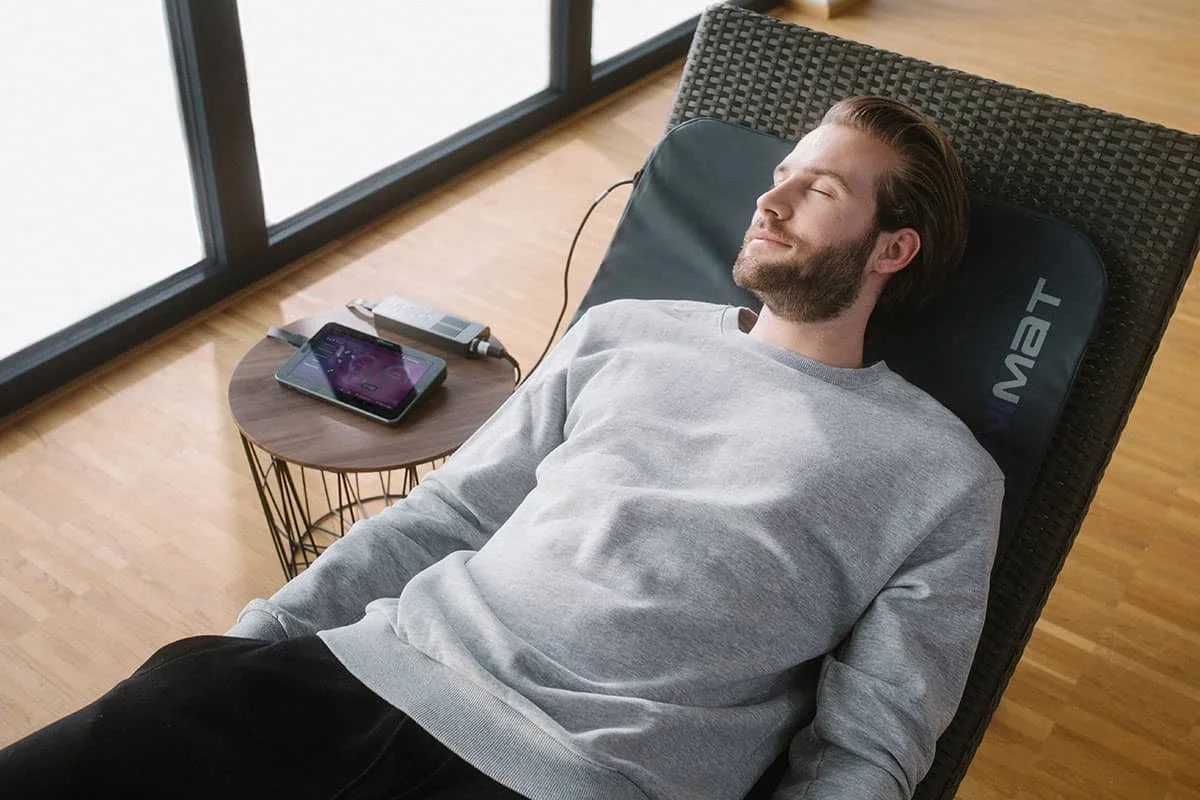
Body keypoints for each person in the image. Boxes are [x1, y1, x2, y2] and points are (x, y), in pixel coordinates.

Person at [0, 96, 1004, 800]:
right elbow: (451, 512)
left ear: (891, 247)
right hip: (361, 675)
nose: (769, 201)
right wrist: (261, 641)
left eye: (819, 190)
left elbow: (872, 734)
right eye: (780, 174)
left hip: (579, 773)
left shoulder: (939, 473)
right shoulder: (626, 331)